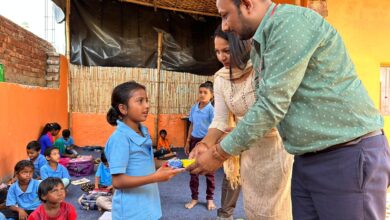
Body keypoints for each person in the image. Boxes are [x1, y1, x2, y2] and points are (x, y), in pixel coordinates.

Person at [189, 0, 390, 219]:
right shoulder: (260, 47)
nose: (225, 26)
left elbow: (270, 107)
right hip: (305, 157)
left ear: (247, 4)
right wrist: (210, 142)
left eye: (225, 15)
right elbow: (264, 106)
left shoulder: (290, 24)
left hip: (345, 153)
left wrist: (219, 153)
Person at [207, 25, 292, 220]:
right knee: (253, 207)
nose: (221, 57)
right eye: (217, 52)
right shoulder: (220, 78)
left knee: (275, 211)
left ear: (243, 46)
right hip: (246, 150)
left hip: (275, 150)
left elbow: (271, 113)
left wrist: (221, 150)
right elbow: (220, 119)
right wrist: (205, 144)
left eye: (227, 50)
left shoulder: (263, 69)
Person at [104, 81, 184, 219]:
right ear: (123, 109)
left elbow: (147, 162)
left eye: (147, 100)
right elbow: (118, 181)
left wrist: (177, 163)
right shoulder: (120, 138)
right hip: (131, 213)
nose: (147, 106)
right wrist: (155, 177)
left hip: (149, 207)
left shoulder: (143, 132)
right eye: (140, 101)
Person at [184, 81, 216, 211]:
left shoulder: (211, 110)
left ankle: (210, 199)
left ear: (211, 96)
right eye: (200, 92)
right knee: (193, 170)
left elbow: (214, 128)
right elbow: (191, 125)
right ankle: (194, 198)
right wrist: (187, 141)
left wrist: (211, 144)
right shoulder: (194, 108)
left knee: (209, 172)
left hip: (207, 142)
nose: (202, 95)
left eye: (205, 93)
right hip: (194, 141)